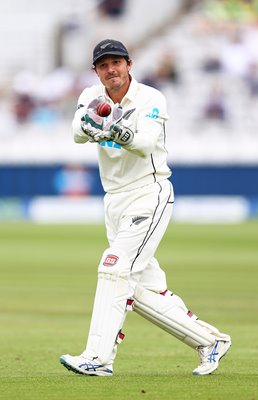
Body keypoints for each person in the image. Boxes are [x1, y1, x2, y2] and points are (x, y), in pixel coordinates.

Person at [59, 39, 231, 376]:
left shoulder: (151, 98)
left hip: (148, 193)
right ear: (96, 71)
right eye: (103, 65)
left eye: (116, 63)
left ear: (128, 64)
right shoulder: (90, 97)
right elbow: (77, 132)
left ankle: (98, 357)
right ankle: (210, 341)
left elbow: (146, 142)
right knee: (137, 289)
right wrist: (91, 123)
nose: (111, 70)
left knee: (114, 269)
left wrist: (117, 131)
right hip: (114, 200)